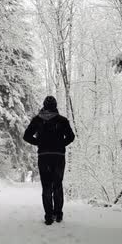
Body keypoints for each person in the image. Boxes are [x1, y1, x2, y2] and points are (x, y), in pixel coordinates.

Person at [23, 96, 75, 225]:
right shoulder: (62, 120)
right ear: (55, 106)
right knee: (57, 185)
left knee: (46, 186)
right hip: (58, 156)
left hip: (44, 156)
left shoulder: (37, 120)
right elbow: (71, 136)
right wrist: (61, 144)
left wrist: (39, 143)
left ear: (44, 105)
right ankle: (58, 214)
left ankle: (48, 216)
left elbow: (26, 136)